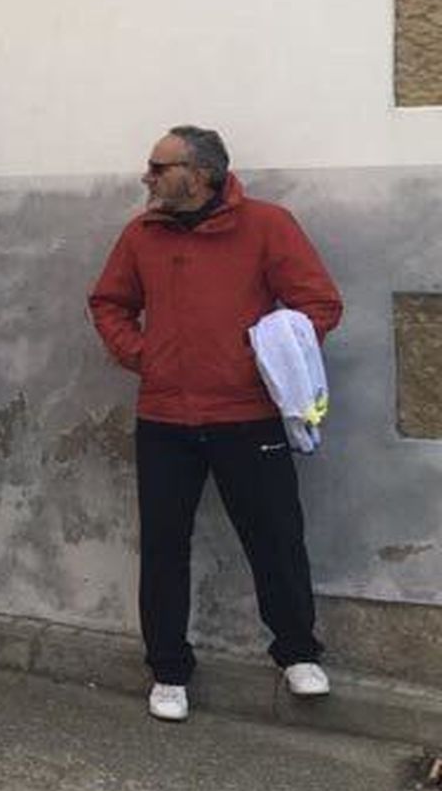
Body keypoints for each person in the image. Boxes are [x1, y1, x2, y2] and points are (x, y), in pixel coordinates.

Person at [88, 125, 342, 722]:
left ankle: (297, 654)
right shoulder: (140, 234)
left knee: (276, 537)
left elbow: (319, 304)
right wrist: (141, 355)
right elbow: (109, 302)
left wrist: (269, 356)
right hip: (164, 416)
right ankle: (169, 670)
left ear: (198, 174)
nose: (146, 177)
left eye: (157, 166)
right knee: (164, 547)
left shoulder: (268, 225)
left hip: (246, 414)